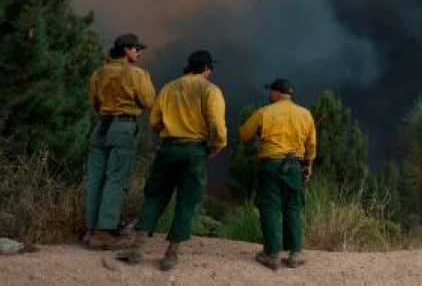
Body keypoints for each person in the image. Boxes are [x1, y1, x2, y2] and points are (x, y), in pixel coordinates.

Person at [117, 50, 226, 271]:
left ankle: (137, 248)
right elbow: (216, 123)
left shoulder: (169, 87)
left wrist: (169, 132)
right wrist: (217, 145)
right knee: (186, 202)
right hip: (194, 152)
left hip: (168, 149)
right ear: (206, 68)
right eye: (210, 68)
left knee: (154, 197)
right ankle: (171, 255)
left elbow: (154, 121)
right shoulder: (210, 90)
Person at [84, 33, 156, 250]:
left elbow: (94, 104)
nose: (139, 52)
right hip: (122, 127)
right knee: (115, 179)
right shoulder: (137, 74)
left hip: (100, 127)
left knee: (95, 179)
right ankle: (104, 233)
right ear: (126, 50)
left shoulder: (98, 73)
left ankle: (91, 230)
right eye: (137, 49)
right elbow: (148, 101)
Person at [239, 78, 317, 270]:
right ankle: (295, 254)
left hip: (270, 167)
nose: (269, 94)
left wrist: (259, 134)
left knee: (270, 208)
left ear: (276, 93)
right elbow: (311, 145)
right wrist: (308, 165)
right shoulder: (305, 114)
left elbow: (244, 135)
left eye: (270, 91)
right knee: (293, 208)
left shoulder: (264, 112)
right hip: (294, 167)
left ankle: (272, 255)